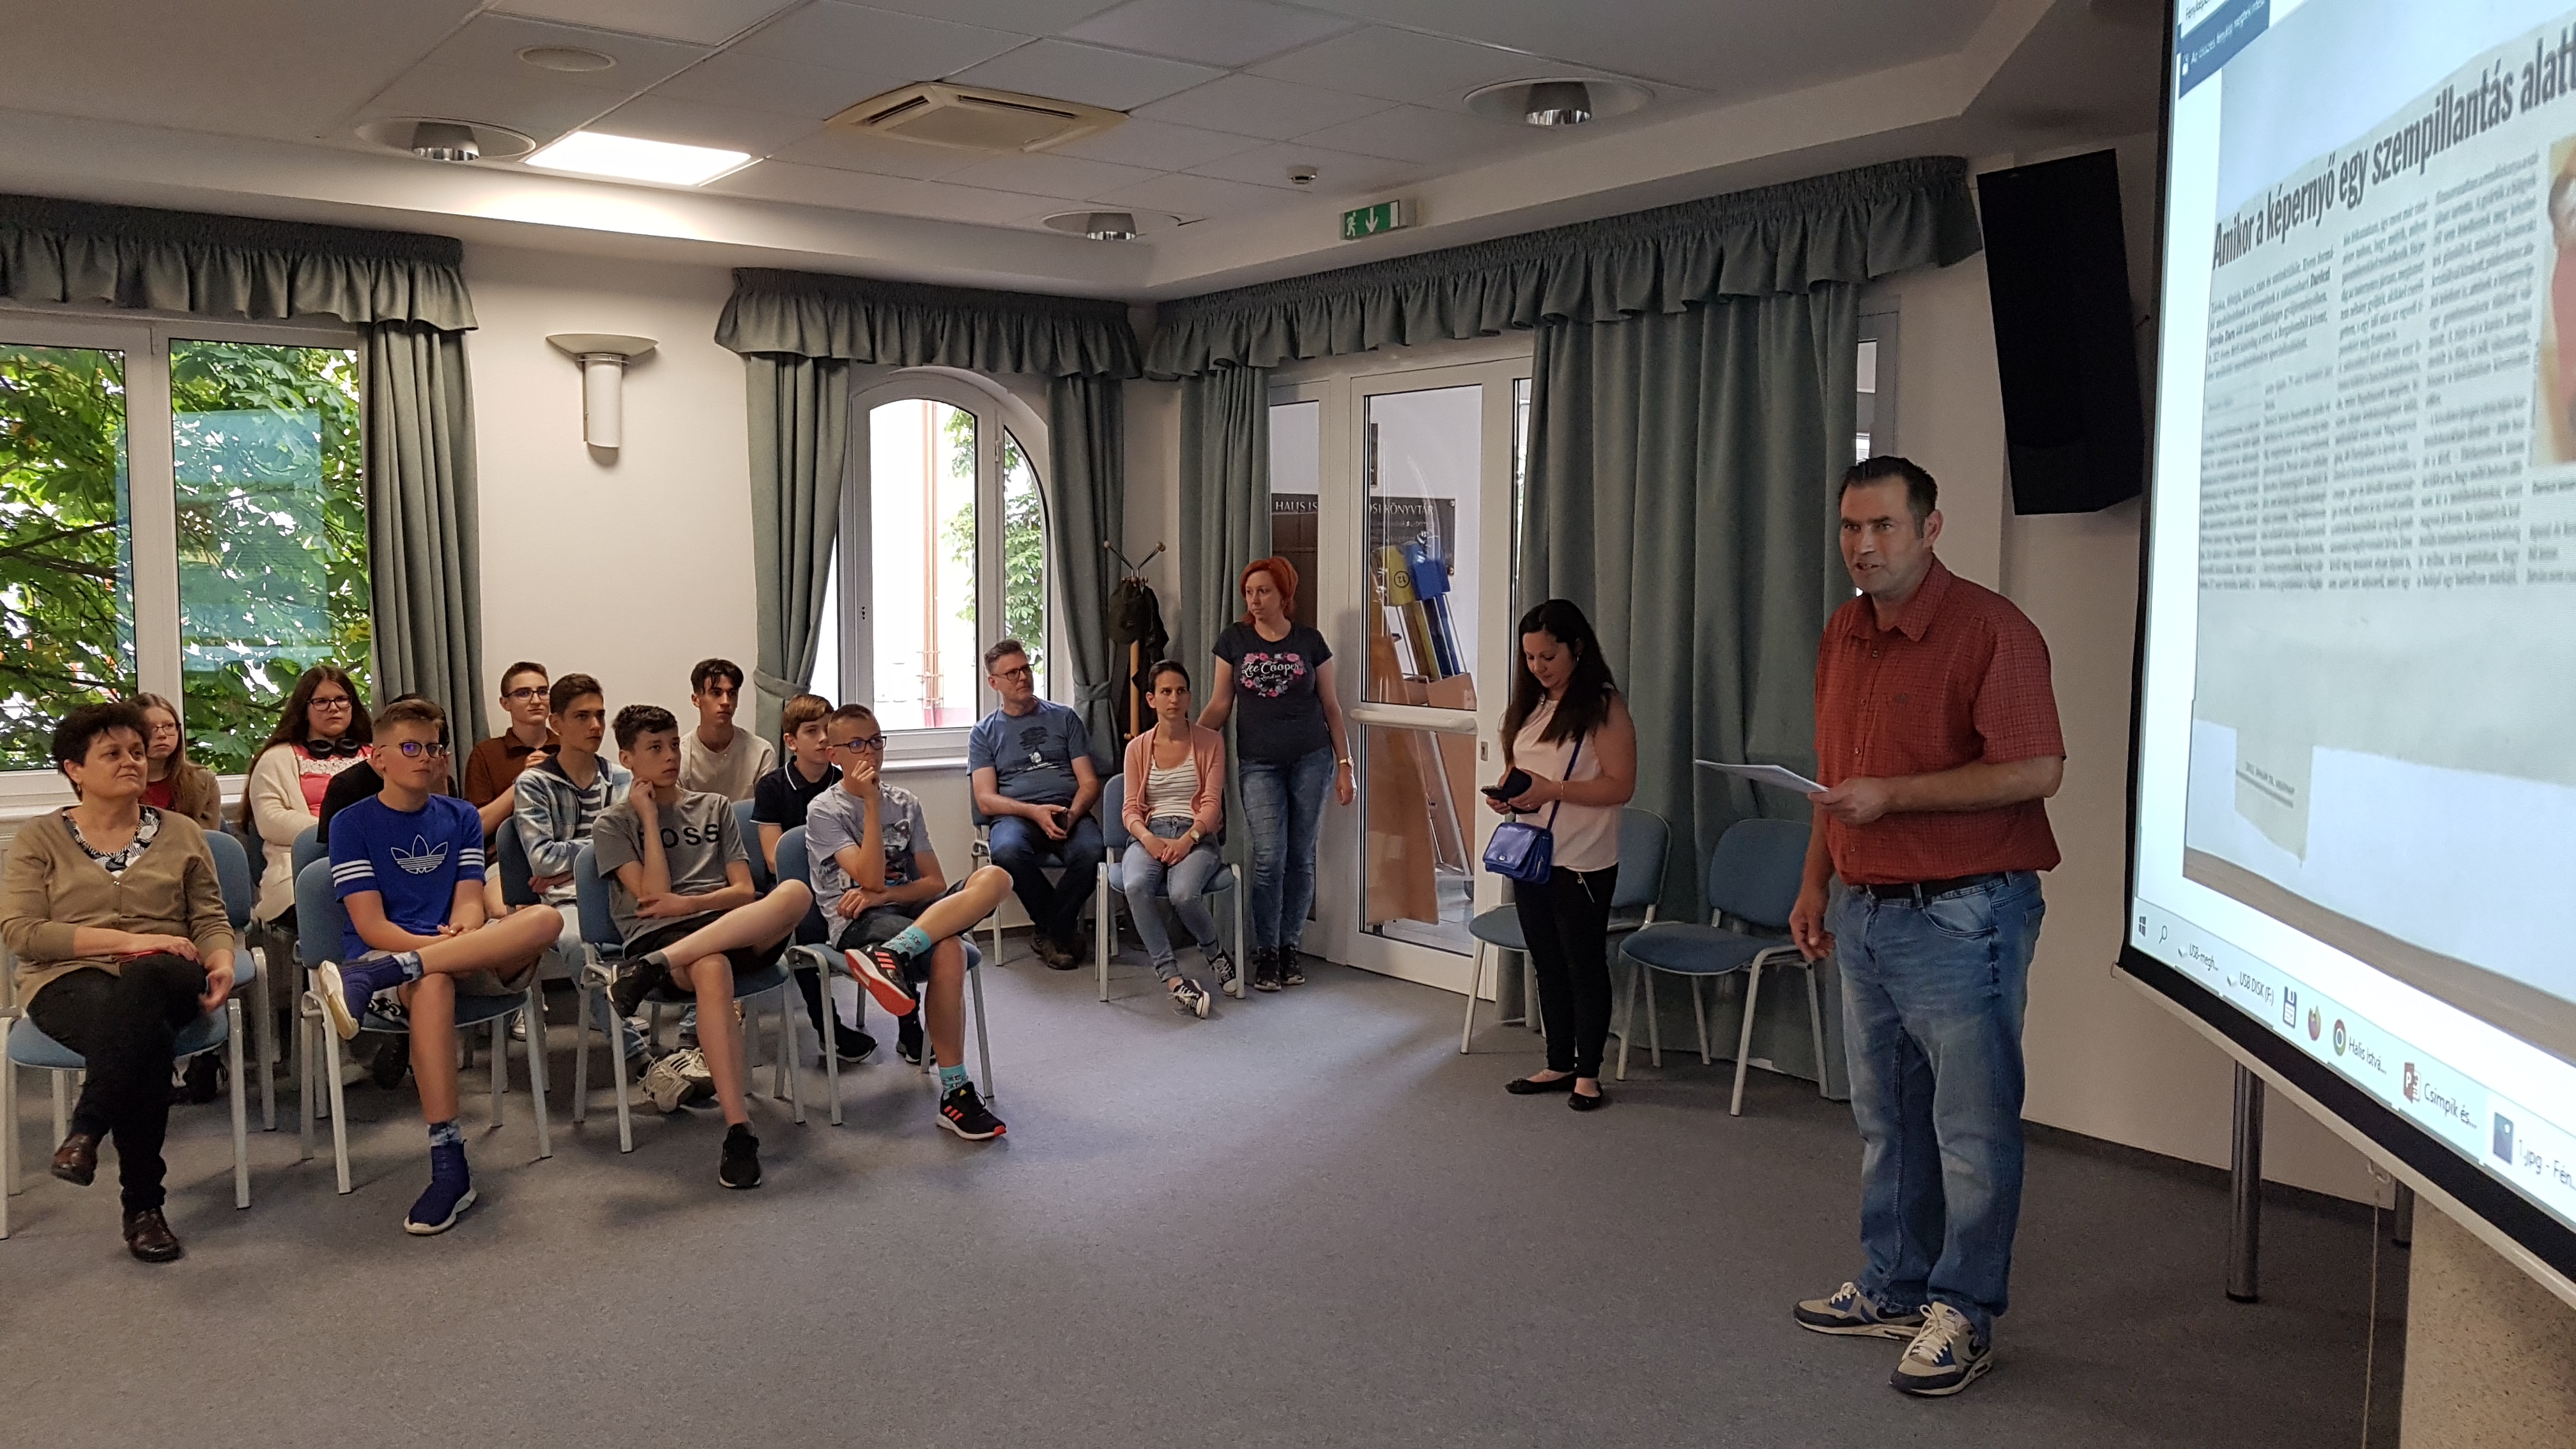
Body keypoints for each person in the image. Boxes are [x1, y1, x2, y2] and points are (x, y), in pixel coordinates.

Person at [1786, 456, 2064, 1399]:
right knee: (1887, 1120)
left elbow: (2037, 770)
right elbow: (1835, 780)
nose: (1863, 546)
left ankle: (1966, 1311)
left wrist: (1894, 798)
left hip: (1963, 916)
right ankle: (1896, 1284)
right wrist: (1815, 881)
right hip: (1865, 910)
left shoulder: (1993, 631)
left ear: (1930, 529)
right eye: (1850, 528)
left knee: (1970, 1131)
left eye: (1884, 527)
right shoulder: (1844, 631)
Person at [314, 698, 566, 1236]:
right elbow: (371, 926)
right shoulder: (351, 823)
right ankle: (449, 1164)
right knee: (431, 982)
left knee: (545, 921)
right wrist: (434, 953)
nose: (426, 757)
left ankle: (382, 977)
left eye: (433, 747)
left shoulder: (461, 817)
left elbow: (470, 901)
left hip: (449, 951)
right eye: (411, 747)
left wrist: (465, 932)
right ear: (379, 758)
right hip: (388, 953)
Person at [0, 702, 236, 1262]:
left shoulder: (181, 832)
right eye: (112, 753)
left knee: (147, 981)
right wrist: (128, 942)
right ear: (74, 769)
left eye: (136, 751)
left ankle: (87, 1130)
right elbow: (22, 932)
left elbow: (208, 917)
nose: (132, 761)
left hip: (169, 971)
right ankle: (143, 1208)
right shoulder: (38, 839)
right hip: (67, 978)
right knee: (143, 1041)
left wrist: (223, 960)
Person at [594, 705, 816, 1189]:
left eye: (674, 744)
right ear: (627, 758)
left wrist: (689, 901)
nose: (671, 756)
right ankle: (739, 1130)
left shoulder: (714, 806)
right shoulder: (613, 823)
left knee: (796, 893)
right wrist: (648, 817)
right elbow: (653, 899)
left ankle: (650, 969)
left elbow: (743, 892)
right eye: (655, 748)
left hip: (724, 926)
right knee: (712, 966)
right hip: (663, 937)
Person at [806, 704, 1015, 1138]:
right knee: (950, 949)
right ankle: (956, 1093)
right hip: (858, 926)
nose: (870, 752)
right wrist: (870, 804)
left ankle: (897, 953)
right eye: (857, 744)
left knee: (996, 877)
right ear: (834, 754)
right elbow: (868, 876)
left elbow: (932, 883)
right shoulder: (824, 810)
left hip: (909, 918)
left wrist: (885, 895)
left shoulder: (905, 803)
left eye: (876, 741)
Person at [1485, 601, 1636, 1111]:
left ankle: (1589, 1073)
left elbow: (1621, 786)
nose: (1538, 667)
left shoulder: (1603, 706)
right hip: (1532, 854)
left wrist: (1553, 790)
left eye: (1548, 657)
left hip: (1583, 858)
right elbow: (1521, 770)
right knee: (1546, 962)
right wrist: (1507, 794)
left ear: (1577, 648)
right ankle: (1559, 1061)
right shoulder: (1532, 705)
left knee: (1583, 964)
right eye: (1529, 658)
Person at [1197, 556, 1353, 992]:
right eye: (1249, 592)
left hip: (1312, 759)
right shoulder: (1235, 640)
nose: (1255, 600)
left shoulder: (1310, 641)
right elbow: (1220, 705)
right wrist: (1189, 744)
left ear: (1284, 595)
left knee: (1301, 857)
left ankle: (1289, 946)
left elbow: (1331, 708)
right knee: (1269, 857)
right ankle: (1265, 951)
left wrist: (1346, 766)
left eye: (1263, 591)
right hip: (1258, 763)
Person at [509, 673, 648, 1068]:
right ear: (556, 723)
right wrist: (603, 853)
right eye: (583, 717)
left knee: (698, 924)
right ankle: (635, 1054)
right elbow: (543, 860)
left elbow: (636, 847)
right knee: (575, 942)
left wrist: (576, 860)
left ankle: (695, 1042)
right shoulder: (534, 783)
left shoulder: (622, 778)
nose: (596, 726)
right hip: (565, 901)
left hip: (624, 891)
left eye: (600, 715)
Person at [967, 638, 1103, 970]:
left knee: (1092, 852)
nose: (1023, 677)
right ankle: (1061, 931)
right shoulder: (984, 733)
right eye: (1011, 673)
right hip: (1017, 817)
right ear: (994, 683)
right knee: (1007, 852)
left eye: (1025, 669)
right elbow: (986, 800)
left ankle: (1049, 932)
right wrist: (1033, 812)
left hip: (1068, 810)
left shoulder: (1064, 718)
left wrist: (1072, 814)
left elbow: (1089, 783)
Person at [753, 692, 871, 1064]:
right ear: (791, 741)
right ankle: (829, 1030)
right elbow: (774, 858)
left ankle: (910, 1029)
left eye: (827, 730)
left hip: (845, 880)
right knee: (807, 926)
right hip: (794, 886)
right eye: (811, 731)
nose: (823, 739)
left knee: (885, 914)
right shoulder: (773, 787)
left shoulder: (846, 780)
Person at [1117, 661, 1230, 1016]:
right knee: (1136, 885)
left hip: (1196, 835)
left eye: (1181, 691)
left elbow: (1211, 804)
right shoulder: (1137, 748)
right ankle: (1172, 977)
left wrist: (1189, 839)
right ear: (1151, 699)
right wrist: (1148, 840)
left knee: (1183, 894)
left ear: (1190, 698)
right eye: (1165, 692)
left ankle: (1214, 951)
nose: (1174, 699)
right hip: (1150, 834)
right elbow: (1130, 810)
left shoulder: (1211, 742)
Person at [241, 665, 372, 929]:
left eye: (341, 699)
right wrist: (338, 833)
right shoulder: (276, 759)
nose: (333, 708)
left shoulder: (377, 755)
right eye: (321, 702)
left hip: (375, 857)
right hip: (299, 866)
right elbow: (270, 820)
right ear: (304, 709)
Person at [463, 661, 555, 838]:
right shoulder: (486, 753)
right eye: (524, 693)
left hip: (564, 848)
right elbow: (475, 828)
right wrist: (523, 782)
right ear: (505, 703)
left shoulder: (568, 749)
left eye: (543, 692)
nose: (536, 701)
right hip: (505, 851)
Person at [678, 657, 774, 803]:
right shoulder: (680, 755)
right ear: (696, 700)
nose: (726, 702)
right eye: (716, 693)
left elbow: (767, 810)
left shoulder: (761, 752)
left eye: (732, 694)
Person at [131, 693, 220, 828]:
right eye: (149, 728)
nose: (162, 734)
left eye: (169, 726)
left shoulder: (203, 781)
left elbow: (208, 838)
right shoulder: (115, 783)